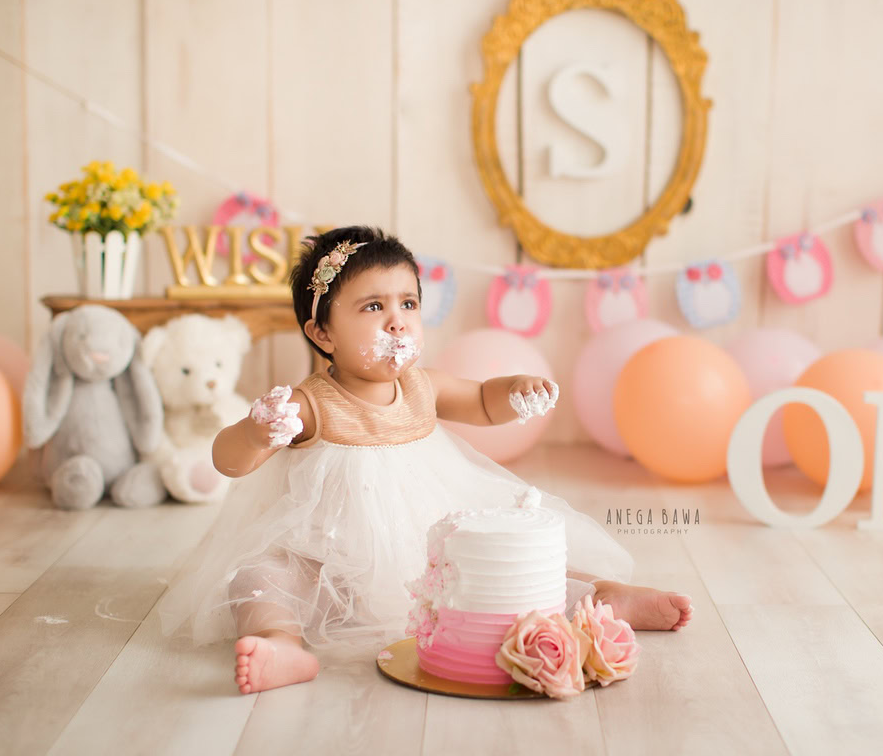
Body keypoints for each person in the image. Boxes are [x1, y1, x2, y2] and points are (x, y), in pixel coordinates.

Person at [158, 226, 693, 695]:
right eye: (373, 307)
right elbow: (230, 462)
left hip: (432, 546)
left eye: (408, 304)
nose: (397, 322)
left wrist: (517, 390)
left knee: (503, 570)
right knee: (256, 576)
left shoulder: (422, 386)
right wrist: (256, 431)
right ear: (322, 333)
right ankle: (281, 643)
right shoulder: (310, 404)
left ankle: (602, 598)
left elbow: (482, 401)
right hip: (326, 559)